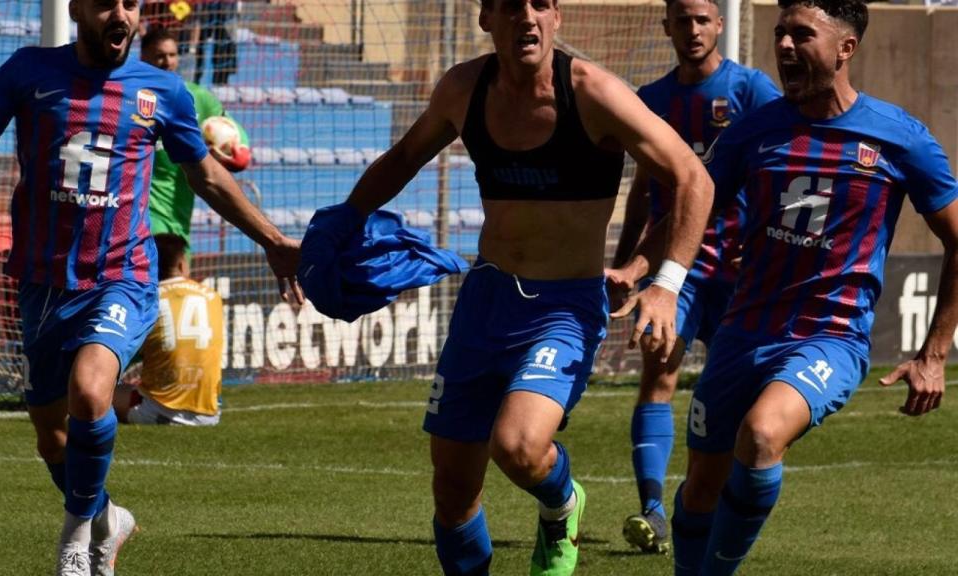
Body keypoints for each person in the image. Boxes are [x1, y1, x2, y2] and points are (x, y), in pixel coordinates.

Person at [342, 1, 714, 574]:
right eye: (512, 5)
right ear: (486, 16)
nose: (528, 17)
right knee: (453, 490)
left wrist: (662, 282)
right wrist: (339, 228)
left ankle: (563, 503)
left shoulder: (591, 91)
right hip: (487, 299)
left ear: (558, 16)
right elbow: (403, 158)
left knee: (517, 446)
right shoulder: (464, 88)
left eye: (541, 3)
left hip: (564, 306)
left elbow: (694, 178)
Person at [0, 1, 301, 574]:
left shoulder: (165, 92)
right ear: (77, 8)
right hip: (41, 280)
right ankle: (107, 517)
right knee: (53, 442)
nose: (121, 14)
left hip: (121, 276)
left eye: (131, 3)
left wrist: (274, 240)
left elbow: (205, 174)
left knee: (90, 389)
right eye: (108, 2)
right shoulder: (29, 71)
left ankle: (75, 541)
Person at [617, 0, 958, 573]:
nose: (784, 46)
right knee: (701, 488)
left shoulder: (900, 139)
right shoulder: (755, 130)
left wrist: (934, 355)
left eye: (802, 34)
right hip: (743, 333)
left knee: (760, 435)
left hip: (829, 337)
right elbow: (690, 205)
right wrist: (644, 273)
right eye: (780, 33)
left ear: (846, 48)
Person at [608, 0, 780, 555]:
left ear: (720, 24)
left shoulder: (751, 91)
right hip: (674, 273)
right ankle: (654, 510)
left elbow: (782, 169)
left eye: (703, 19)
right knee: (658, 370)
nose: (693, 30)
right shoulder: (652, 101)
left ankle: (720, 498)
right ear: (668, 27)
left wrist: (762, 242)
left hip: (739, 273)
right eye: (682, 20)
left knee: (747, 399)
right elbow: (643, 191)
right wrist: (628, 260)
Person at [140, 26, 251, 249]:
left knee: (177, 278)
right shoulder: (134, 96)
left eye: (172, 55)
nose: (167, 62)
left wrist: (238, 151)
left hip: (180, 221)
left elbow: (236, 136)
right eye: (160, 56)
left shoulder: (197, 98)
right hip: (143, 222)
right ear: (144, 58)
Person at [113, 234, 224, 426]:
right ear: (182, 265)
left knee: (92, 393)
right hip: (210, 414)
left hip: (157, 409)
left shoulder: (147, 300)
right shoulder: (213, 297)